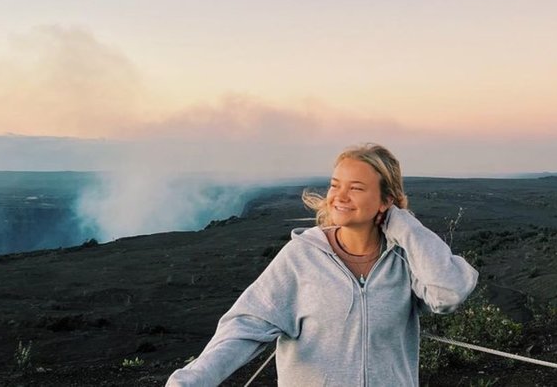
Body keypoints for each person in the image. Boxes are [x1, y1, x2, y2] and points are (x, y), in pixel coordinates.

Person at [166, 143, 478, 386]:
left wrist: (404, 226)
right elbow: (244, 327)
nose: (339, 196)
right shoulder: (301, 257)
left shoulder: (404, 259)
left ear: (386, 200)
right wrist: (191, 381)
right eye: (334, 185)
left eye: (356, 188)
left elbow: (448, 292)